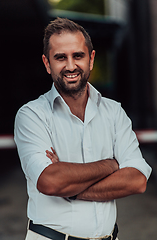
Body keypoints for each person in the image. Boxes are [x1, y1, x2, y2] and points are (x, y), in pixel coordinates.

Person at [14, 17, 152, 240]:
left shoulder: (114, 112)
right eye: (60, 57)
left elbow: (137, 180)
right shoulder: (31, 115)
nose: (70, 66)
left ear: (91, 59)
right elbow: (51, 181)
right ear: (47, 63)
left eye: (78, 55)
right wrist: (111, 164)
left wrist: (70, 189)